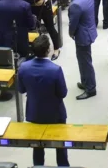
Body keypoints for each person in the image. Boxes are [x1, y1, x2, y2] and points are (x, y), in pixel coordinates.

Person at [17, 34, 69, 167]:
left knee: (37, 146)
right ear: (48, 50)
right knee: (61, 145)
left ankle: (38, 165)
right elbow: (62, 93)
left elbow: (21, 90)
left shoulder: (24, 67)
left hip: (35, 113)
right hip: (56, 115)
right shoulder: (56, 70)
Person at [68, 0, 97, 100]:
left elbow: (72, 24)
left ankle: (91, 89)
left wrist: (70, 33)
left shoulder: (76, 4)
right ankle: (85, 82)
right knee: (83, 61)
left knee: (85, 63)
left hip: (82, 36)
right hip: (90, 31)